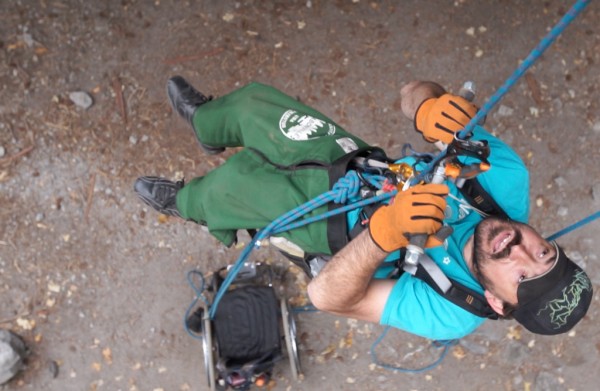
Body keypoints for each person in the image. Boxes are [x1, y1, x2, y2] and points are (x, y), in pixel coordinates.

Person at [134, 76, 593, 341]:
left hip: (332, 229)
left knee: (229, 190)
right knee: (256, 105)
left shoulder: (451, 310)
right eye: (544, 254)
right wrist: (428, 106)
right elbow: (412, 90)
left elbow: (327, 298)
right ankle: (207, 123)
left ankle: (187, 202)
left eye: (522, 276)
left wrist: (385, 233)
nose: (520, 249)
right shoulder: (504, 178)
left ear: (497, 302)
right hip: (361, 166)